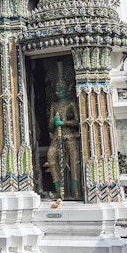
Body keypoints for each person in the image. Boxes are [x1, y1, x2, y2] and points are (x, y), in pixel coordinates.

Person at [45, 64, 81, 199]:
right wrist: (54, 121)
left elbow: (77, 122)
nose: (59, 92)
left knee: (74, 161)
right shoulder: (54, 105)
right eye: (57, 90)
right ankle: (59, 190)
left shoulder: (71, 104)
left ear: (67, 89)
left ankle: (77, 191)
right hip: (56, 136)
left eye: (61, 89)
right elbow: (50, 125)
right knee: (51, 157)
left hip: (70, 135)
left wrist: (64, 122)